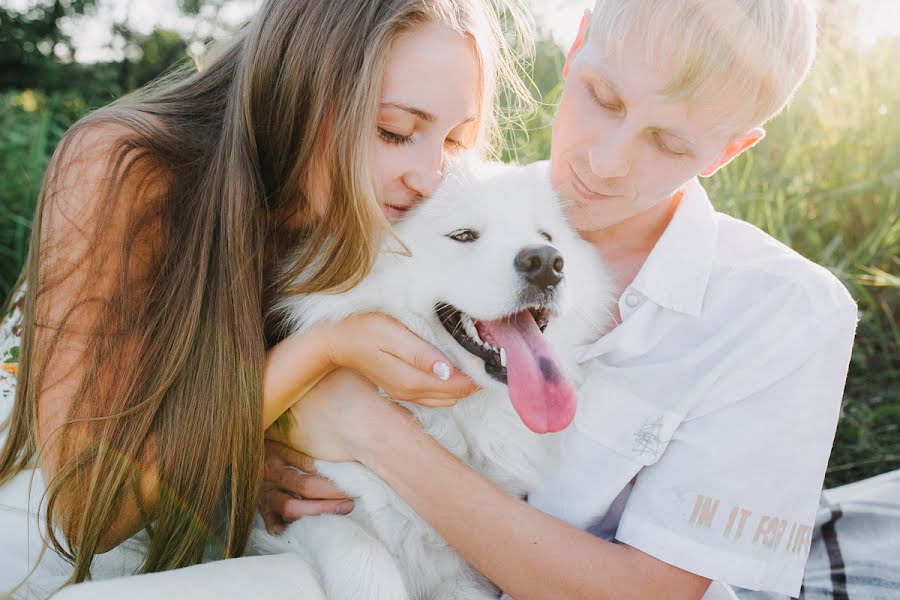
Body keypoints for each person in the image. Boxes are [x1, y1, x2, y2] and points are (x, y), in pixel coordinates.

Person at [262, 1, 858, 598]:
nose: (605, 163)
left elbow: (652, 592)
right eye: (604, 97)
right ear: (577, 50)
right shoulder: (432, 193)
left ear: (729, 150)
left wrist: (369, 431)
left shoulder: (785, 313)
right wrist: (264, 448)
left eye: (669, 143)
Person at [0, 0, 535, 596]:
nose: (431, 175)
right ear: (303, 90)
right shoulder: (127, 164)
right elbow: (85, 509)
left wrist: (251, 459)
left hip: (205, 498)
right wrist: (322, 350)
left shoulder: (391, 209)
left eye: (456, 141)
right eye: (395, 131)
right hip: (41, 496)